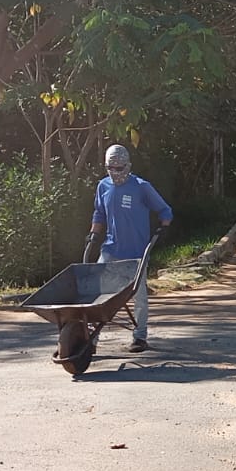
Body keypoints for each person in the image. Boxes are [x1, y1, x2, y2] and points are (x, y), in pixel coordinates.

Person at [89, 144, 173, 353]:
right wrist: (93, 234)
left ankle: (139, 336)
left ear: (128, 165)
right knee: (95, 293)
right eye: (111, 168)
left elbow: (165, 210)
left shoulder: (141, 187)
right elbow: (99, 213)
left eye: (120, 168)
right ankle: (90, 339)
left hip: (137, 252)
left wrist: (163, 228)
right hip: (110, 249)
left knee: (140, 296)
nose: (116, 172)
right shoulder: (103, 187)